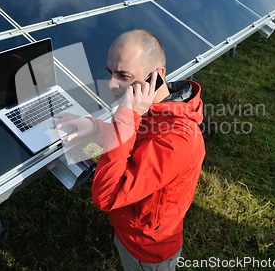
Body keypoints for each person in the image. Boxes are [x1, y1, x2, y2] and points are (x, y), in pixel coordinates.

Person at [56, 29, 205, 270]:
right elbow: (136, 143)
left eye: (123, 75)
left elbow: (107, 197)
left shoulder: (176, 141)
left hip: (146, 251)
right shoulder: (154, 109)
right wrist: (94, 128)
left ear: (156, 76)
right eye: (110, 72)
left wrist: (127, 116)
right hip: (130, 228)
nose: (112, 84)